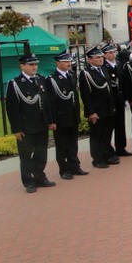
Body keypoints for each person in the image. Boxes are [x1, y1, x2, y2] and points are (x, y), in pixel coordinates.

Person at [6, 53, 56, 193]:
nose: (34, 67)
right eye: (31, 64)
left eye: (36, 64)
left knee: (41, 153)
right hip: (26, 126)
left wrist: (51, 121)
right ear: (22, 66)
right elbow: (12, 108)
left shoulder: (40, 79)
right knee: (26, 155)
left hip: (42, 123)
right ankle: (29, 181)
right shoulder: (15, 83)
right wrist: (16, 129)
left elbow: (46, 103)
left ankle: (40, 177)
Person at [47, 51, 88, 180]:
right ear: (58, 63)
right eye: (65, 61)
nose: (69, 63)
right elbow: (51, 102)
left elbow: (74, 96)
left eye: (69, 61)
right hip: (60, 117)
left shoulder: (71, 75)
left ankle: (74, 166)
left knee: (73, 143)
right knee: (62, 146)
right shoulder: (52, 79)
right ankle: (64, 169)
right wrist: (52, 121)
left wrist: (77, 115)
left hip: (72, 115)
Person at [79, 47, 120, 169]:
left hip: (107, 108)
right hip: (97, 110)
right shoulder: (86, 73)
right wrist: (91, 112)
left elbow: (109, 90)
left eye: (101, 57)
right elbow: (85, 95)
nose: (100, 59)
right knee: (96, 135)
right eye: (97, 57)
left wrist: (112, 107)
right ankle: (97, 159)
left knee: (107, 133)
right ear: (90, 60)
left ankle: (107, 154)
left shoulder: (104, 69)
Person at [102, 43, 132, 157]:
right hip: (110, 100)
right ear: (104, 55)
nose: (112, 54)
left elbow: (124, 82)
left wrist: (126, 98)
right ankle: (108, 150)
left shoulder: (119, 64)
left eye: (113, 52)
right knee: (109, 126)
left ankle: (121, 148)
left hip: (119, 99)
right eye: (109, 53)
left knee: (120, 125)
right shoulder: (103, 66)